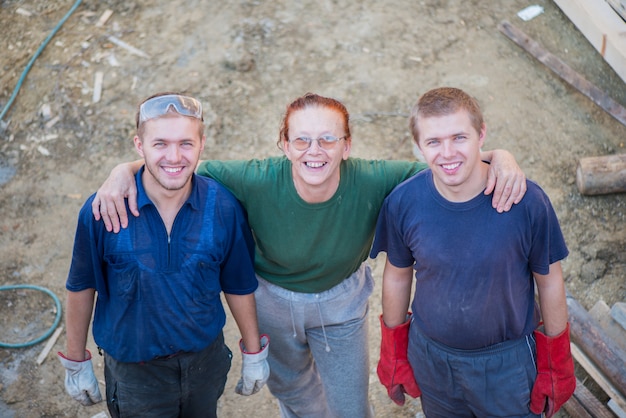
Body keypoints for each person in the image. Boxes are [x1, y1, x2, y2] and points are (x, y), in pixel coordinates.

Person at [91, 92, 527, 418]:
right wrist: (121, 171)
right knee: (295, 393)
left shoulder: (376, 179)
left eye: (327, 140)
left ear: (347, 145)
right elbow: (176, 164)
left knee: (350, 404)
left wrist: (500, 156)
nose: (314, 152)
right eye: (301, 140)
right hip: (272, 302)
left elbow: (445, 163)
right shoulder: (256, 179)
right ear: (284, 144)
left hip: (340, 304)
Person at [57, 92, 270, 418]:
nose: (174, 156)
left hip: (204, 362)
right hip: (135, 373)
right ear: (139, 146)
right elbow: (82, 285)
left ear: (202, 144)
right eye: (160, 144)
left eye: (186, 143)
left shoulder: (224, 207)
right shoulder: (103, 210)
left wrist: (254, 352)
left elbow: (238, 284)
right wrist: (76, 360)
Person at [371, 87, 575, 417]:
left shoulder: (526, 201)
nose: (447, 153)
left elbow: (550, 280)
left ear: (482, 135)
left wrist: (556, 361)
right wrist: (393, 349)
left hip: (506, 366)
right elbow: (397, 275)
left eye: (459, 138)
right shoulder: (403, 202)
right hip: (431, 357)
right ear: (419, 146)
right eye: (433, 142)